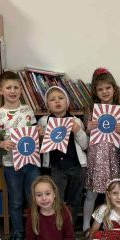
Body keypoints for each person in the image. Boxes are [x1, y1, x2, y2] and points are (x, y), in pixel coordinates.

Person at [0, 70, 38, 240]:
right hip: (11, 164)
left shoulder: (28, 110)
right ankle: (18, 231)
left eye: (16, 87)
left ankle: (35, 231)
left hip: (31, 162)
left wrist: (39, 133)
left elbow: (35, 134)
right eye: (8, 87)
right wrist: (2, 144)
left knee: (34, 198)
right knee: (16, 200)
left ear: (21, 90)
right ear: (1, 91)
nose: (12, 91)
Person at [82, 68, 120, 238]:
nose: (104, 92)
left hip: (112, 156)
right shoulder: (91, 109)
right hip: (95, 155)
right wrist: (88, 128)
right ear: (95, 91)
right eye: (100, 89)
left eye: (108, 88)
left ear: (114, 89)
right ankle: (86, 226)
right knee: (91, 193)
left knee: (113, 192)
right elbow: (86, 134)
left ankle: (111, 225)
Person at [15, 176, 84, 240]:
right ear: (34, 197)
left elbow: (69, 237)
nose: (44, 198)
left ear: (54, 194)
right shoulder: (33, 214)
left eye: (47, 193)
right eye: (39, 195)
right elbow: (31, 239)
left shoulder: (63, 212)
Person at [38, 84, 88, 219]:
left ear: (67, 103)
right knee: (56, 198)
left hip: (77, 166)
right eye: (52, 99)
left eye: (60, 98)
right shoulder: (44, 121)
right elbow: (40, 147)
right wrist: (40, 136)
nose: (57, 101)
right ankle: (58, 224)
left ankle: (71, 224)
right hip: (56, 168)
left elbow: (85, 145)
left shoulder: (76, 120)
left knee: (75, 198)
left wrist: (78, 131)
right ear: (48, 106)